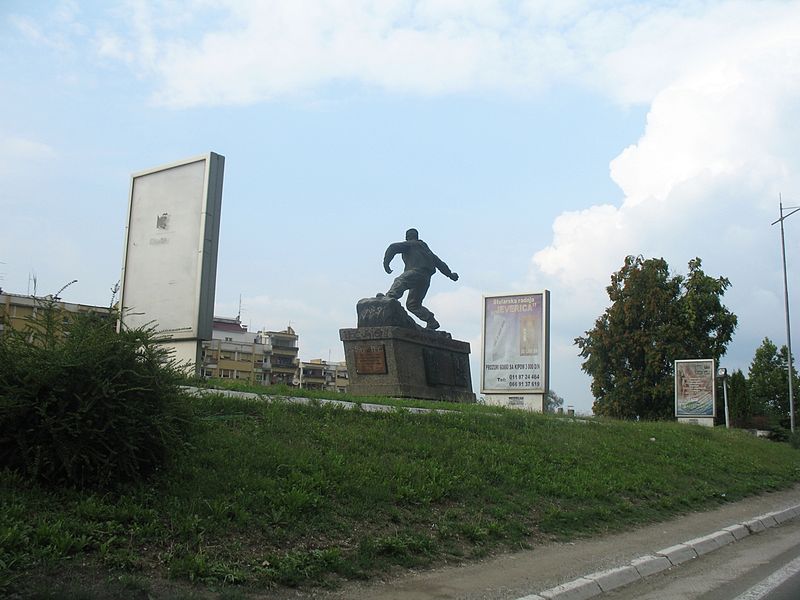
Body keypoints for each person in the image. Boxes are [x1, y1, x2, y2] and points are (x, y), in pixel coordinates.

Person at [382, 228, 459, 330]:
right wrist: (451, 275)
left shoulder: (410, 244)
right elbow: (440, 264)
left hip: (416, 273)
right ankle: (431, 321)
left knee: (400, 280)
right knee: (413, 304)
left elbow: (393, 247)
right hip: (425, 279)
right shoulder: (427, 251)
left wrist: (386, 263)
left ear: (407, 237)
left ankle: (389, 298)